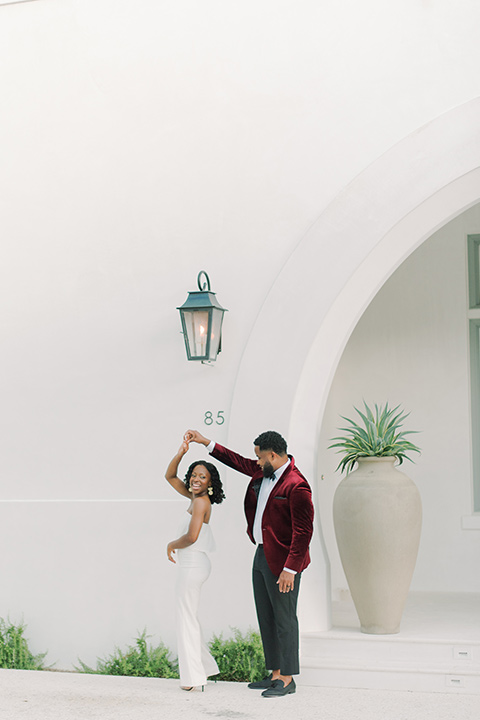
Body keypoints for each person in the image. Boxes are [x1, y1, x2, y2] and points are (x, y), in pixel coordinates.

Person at [184, 429, 314, 698]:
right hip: (261, 554)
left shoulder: (297, 485)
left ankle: (288, 680)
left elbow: (304, 532)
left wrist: (290, 568)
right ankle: (275, 673)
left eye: (259, 457)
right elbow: (237, 461)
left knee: (284, 619)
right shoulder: (262, 472)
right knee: (266, 616)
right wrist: (206, 442)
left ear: (273, 456)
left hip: (284, 562)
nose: (254, 462)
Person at [165, 439, 225, 691]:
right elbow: (169, 476)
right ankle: (204, 668)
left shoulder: (201, 502)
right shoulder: (194, 497)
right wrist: (180, 453)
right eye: (194, 475)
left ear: (210, 483)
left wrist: (171, 544)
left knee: (185, 619)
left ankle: (194, 679)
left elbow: (192, 537)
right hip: (193, 564)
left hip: (192, 564)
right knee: (189, 618)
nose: (196, 479)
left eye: (203, 476)